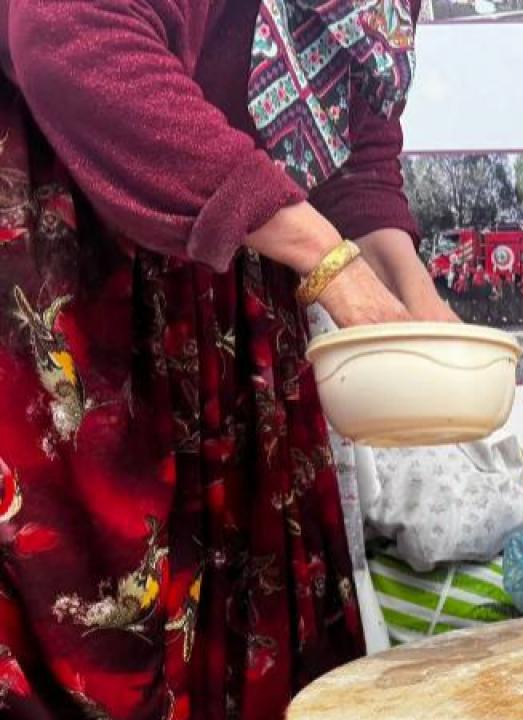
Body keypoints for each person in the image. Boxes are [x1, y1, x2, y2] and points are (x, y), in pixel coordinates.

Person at [0, 0, 459, 717]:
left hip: (238, 279)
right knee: (105, 636)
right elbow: (69, 34)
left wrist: (418, 303)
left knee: (244, 628)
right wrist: (329, 262)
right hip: (80, 260)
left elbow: (352, 144)